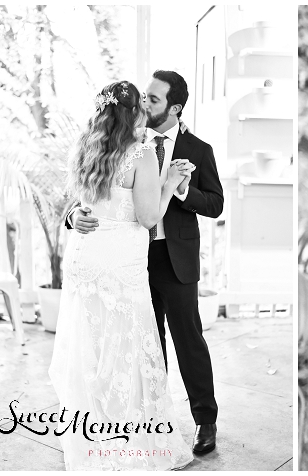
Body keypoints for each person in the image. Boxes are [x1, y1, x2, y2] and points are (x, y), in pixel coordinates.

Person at [68, 70, 225, 455]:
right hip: (126, 258)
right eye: (144, 98)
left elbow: (216, 203)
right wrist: (73, 216)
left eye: (153, 100)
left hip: (174, 258)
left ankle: (205, 419)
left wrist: (183, 189)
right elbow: (92, 194)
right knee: (141, 345)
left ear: (174, 107)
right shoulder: (125, 141)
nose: (144, 104)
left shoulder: (199, 148)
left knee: (189, 340)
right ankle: (151, 417)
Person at [48, 80, 195, 470]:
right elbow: (148, 217)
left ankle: (90, 436)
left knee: (90, 347)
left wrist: (74, 215)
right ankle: (130, 440)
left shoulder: (84, 146)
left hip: (85, 261)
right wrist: (169, 185)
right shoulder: (142, 153)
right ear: (134, 114)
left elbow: (82, 202)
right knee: (125, 347)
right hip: (120, 264)